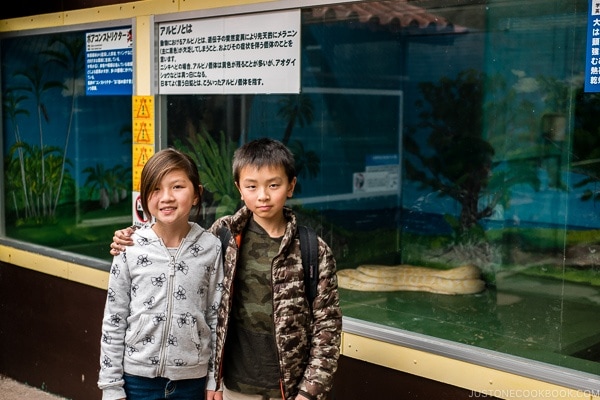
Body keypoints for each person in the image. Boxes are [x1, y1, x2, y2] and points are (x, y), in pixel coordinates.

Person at [110, 138, 342, 400]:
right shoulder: (223, 236)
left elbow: (328, 328)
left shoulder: (312, 249)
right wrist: (132, 236)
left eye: (273, 185)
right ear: (239, 189)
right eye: (252, 186)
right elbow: (176, 244)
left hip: (289, 388)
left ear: (291, 186)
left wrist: (309, 393)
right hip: (233, 385)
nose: (263, 195)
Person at [99, 148, 224, 400]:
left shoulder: (212, 247)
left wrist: (214, 380)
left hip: (192, 380)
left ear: (197, 194)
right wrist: (111, 386)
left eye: (177, 186)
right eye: (155, 189)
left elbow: (216, 317)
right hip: (137, 380)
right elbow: (114, 320)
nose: (166, 197)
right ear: (144, 198)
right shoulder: (129, 246)